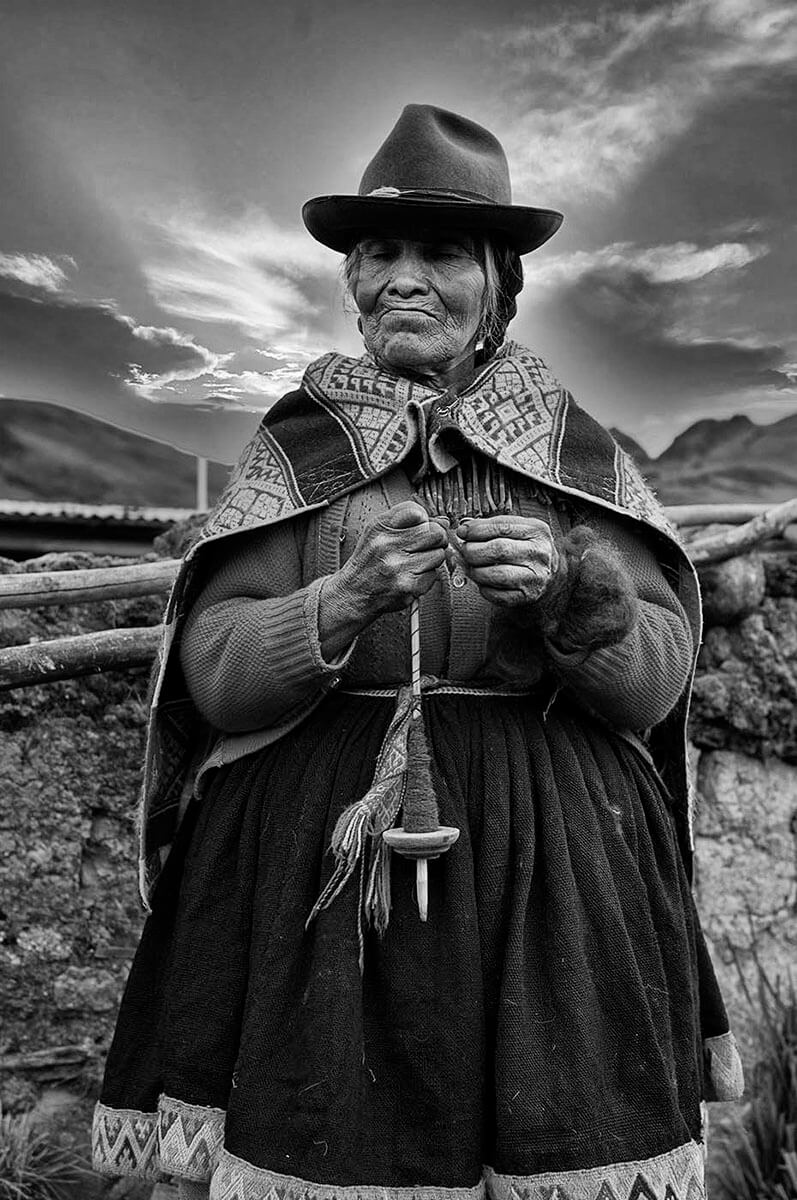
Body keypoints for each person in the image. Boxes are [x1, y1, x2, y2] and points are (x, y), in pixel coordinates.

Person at [92, 104, 743, 1200]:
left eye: (441, 253)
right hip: (317, 876)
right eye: (378, 252)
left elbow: (652, 688)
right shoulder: (298, 442)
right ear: (348, 278)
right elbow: (212, 670)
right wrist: (335, 604)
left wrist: (572, 598)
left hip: (556, 875)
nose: (403, 279)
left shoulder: (575, 450)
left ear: (499, 283)